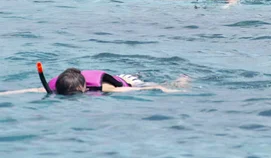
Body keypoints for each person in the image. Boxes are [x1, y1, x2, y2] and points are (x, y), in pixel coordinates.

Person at [0, 67, 187, 96]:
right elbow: (28, 90)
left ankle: (182, 79)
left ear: (84, 86)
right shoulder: (58, 88)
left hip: (127, 81)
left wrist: (164, 88)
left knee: (141, 81)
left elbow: (132, 91)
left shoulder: (103, 87)